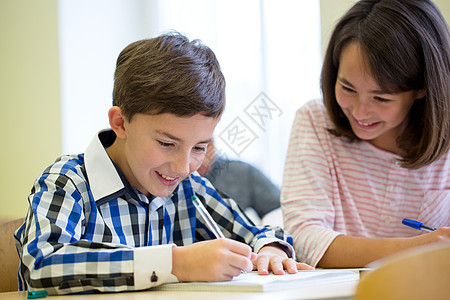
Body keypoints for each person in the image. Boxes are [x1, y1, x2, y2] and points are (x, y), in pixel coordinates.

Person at [14, 33, 312, 295]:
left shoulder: (187, 188)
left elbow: (257, 233)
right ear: (121, 123)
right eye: (166, 144)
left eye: (199, 147)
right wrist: (175, 263)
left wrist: (269, 249)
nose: (184, 167)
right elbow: (41, 265)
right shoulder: (69, 181)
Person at [281, 0, 450, 268]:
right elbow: (303, 237)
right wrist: (417, 248)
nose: (360, 112)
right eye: (347, 88)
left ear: (422, 89)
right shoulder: (314, 120)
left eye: (381, 98)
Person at [197, 139, 281, 223]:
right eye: (196, 148)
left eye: (208, 145)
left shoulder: (242, 172)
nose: (203, 158)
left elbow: (280, 209)